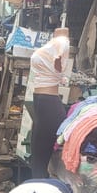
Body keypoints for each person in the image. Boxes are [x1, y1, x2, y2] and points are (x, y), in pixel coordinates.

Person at [29, 28, 70, 177]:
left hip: (49, 105)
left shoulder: (63, 42)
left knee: (39, 164)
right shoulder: (55, 42)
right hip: (42, 103)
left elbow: (59, 64)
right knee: (37, 161)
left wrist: (58, 59)